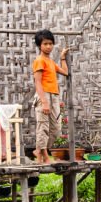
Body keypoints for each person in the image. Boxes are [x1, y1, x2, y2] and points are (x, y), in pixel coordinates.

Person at [32, 29, 68, 163]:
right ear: (40, 45)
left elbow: (65, 72)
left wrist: (63, 57)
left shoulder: (50, 62)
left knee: (56, 128)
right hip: (44, 96)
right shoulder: (39, 61)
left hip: (54, 96)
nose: (48, 46)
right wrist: (44, 101)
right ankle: (44, 156)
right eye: (45, 44)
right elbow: (37, 82)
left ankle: (39, 151)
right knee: (43, 126)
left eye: (51, 43)